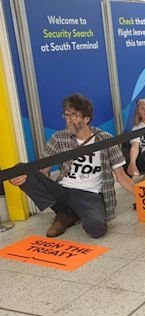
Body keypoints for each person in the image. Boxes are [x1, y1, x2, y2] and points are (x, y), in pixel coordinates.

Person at [9, 93, 135, 238]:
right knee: (20, 168)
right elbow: (42, 170)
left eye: (73, 115)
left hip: (90, 194)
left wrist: (144, 199)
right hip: (62, 191)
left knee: (97, 229)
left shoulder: (105, 139)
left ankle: (67, 215)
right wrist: (19, 178)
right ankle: (65, 212)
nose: (68, 120)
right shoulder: (59, 138)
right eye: (66, 115)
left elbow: (122, 176)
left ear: (87, 118)